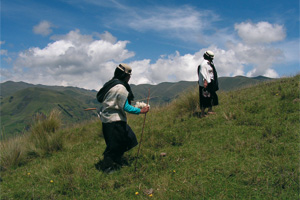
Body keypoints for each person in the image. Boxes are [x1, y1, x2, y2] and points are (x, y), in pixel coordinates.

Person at [96, 63, 149, 173]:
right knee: (114, 145)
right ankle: (107, 168)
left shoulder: (111, 84)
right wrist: (141, 111)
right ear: (125, 76)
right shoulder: (121, 88)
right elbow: (125, 107)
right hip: (114, 120)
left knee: (128, 138)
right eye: (129, 75)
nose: (130, 78)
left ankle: (117, 160)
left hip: (107, 119)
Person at [197, 50, 219, 117]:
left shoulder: (209, 64)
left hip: (210, 82)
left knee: (210, 97)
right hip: (206, 84)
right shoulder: (203, 64)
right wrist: (205, 82)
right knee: (204, 98)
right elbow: (203, 74)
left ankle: (210, 110)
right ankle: (202, 113)